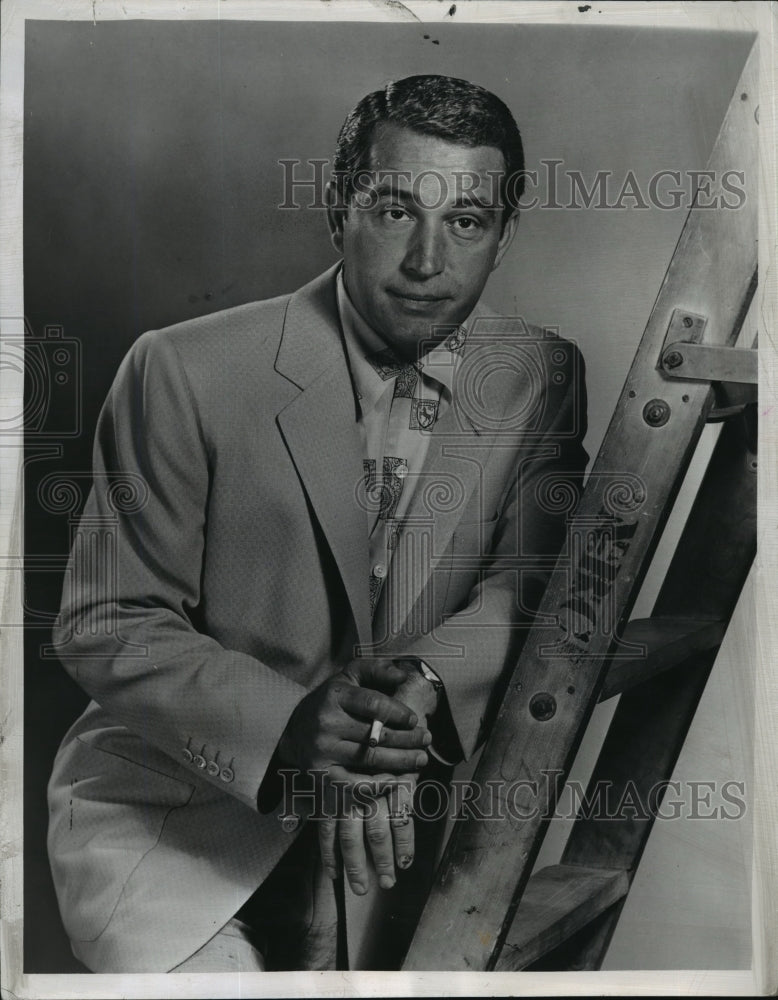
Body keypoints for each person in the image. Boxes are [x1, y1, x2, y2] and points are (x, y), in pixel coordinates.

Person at [47, 74, 588, 973]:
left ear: (504, 236)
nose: (428, 261)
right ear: (337, 210)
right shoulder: (182, 368)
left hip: (400, 835)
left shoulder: (540, 372)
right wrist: (291, 721)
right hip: (178, 821)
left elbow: (533, 583)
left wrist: (421, 680)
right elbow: (105, 619)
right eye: (393, 209)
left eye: (466, 221)